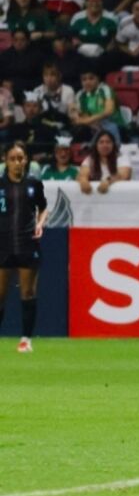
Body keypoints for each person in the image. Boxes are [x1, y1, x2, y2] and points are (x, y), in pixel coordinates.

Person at [0, 143, 47, 353]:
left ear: (27, 160)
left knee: (27, 292)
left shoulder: (34, 184)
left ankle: (26, 339)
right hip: (3, 243)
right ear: (5, 161)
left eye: (21, 158)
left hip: (28, 242)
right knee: (0, 294)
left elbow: (43, 208)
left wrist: (39, 223)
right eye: (13, 158)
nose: (17, 162)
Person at [70, 67, 122, 143]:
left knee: (110, 127)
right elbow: (82, 115)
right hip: (93, 125)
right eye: (84, 79)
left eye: (91, 78)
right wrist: (90, 123)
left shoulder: (105, 89)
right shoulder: (80, 94)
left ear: (98, 78)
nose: (87, 82)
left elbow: (109, 111)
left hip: (112, 122)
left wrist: (89, 120)